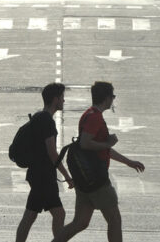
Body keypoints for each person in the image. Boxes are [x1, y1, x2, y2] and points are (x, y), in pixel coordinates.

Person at [53, 81, 145, 242]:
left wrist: (128, 161)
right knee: (115, 221)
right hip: (97, 180)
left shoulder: (88, 114)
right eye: (113, 96)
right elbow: (86, 143)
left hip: (85, 177)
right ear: (107, 98)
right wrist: (108, 143)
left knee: (80, 222)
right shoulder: (95, 117)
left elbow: (101, 149)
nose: (113, 100)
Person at [16, 83, 74, 242]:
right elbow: (52, 153)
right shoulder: (47, 121)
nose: (64, 100)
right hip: (43, 176)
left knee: (38, 214)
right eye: (62, 97)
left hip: (39, 174)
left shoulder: (39, 117)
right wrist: (67, 176)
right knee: (49, 214)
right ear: (55, 99)